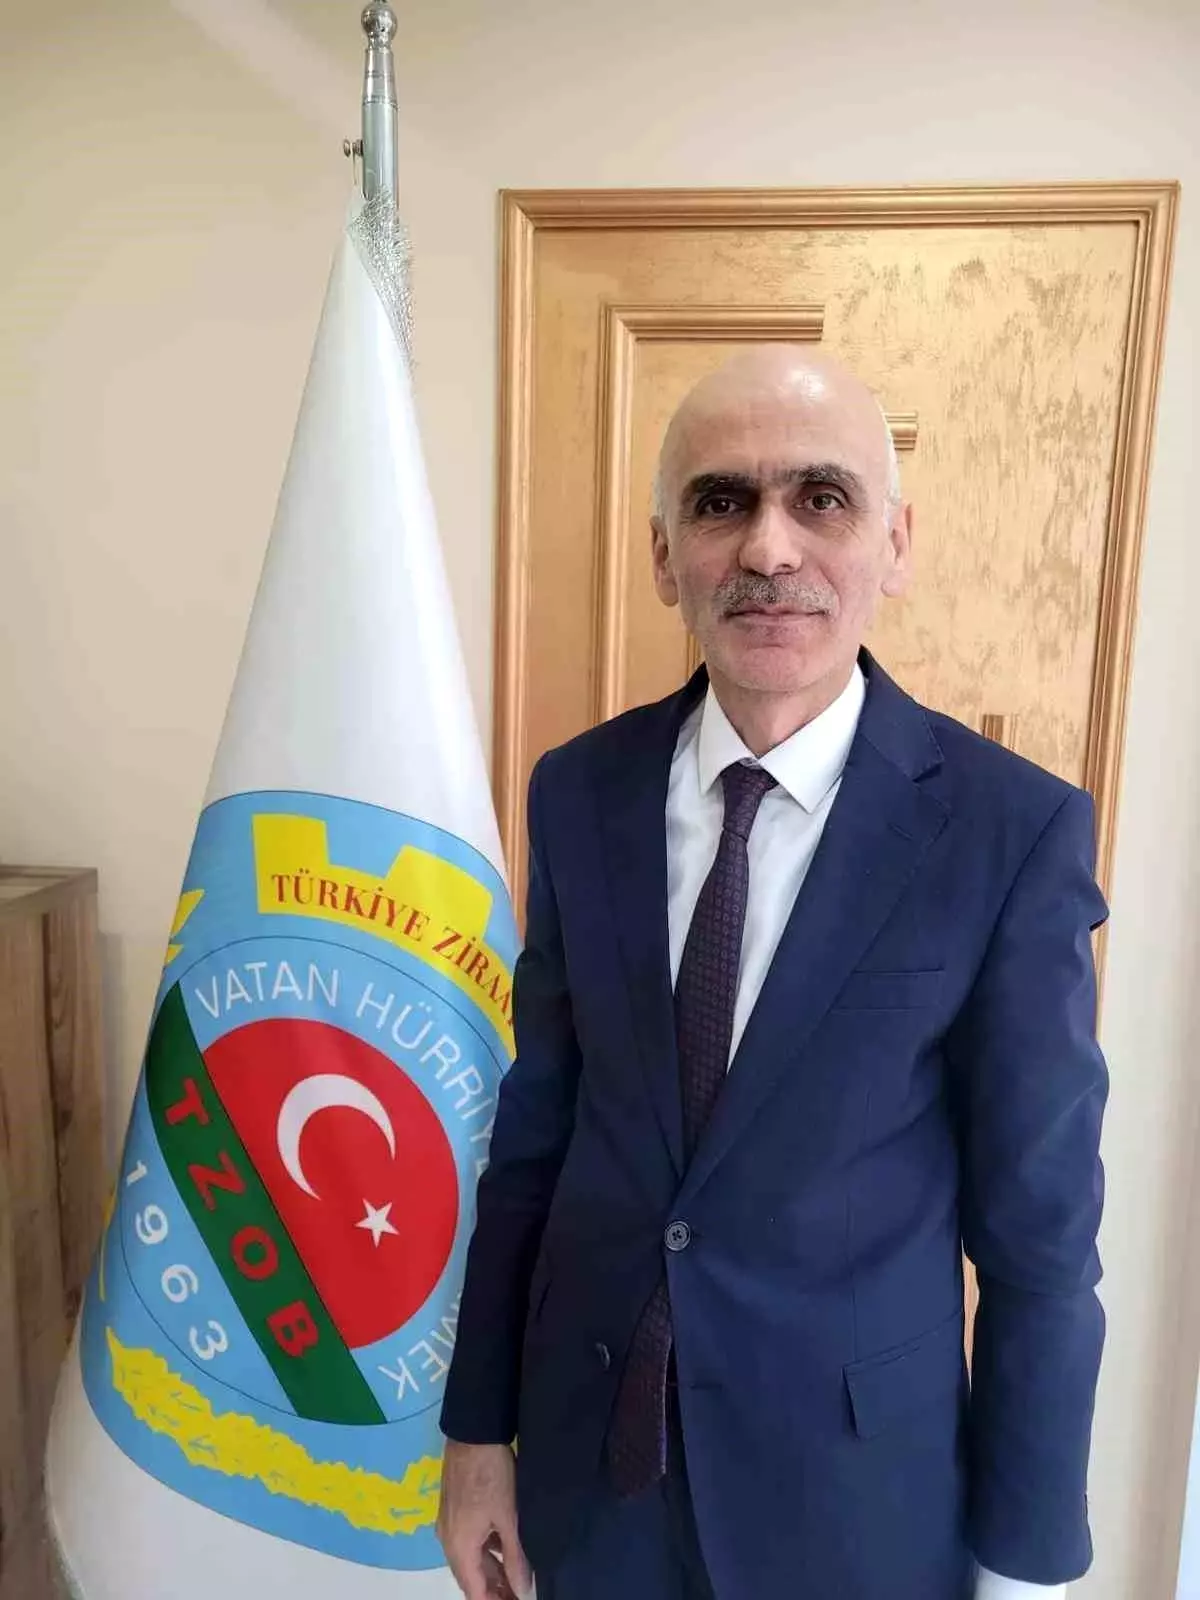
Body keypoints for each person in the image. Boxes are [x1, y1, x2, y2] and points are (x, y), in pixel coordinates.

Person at [436, 346, 1108, 1600]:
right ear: (664, 556)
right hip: (590, 1489)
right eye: (721, 501)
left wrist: (1026, 1569)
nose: (769, 547)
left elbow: (1041, 1242)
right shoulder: (578, 792)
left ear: (894, 543)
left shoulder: (1010, 832)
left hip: (855, 1510)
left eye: (822, 497)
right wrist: (477, 1435)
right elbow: (533, 1144)